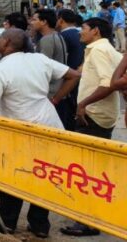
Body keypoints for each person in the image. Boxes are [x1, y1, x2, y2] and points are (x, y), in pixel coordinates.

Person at [0, 29, 81, 238]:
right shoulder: (40, 59)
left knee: (12, 175)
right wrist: (56, 99)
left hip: (18, 131)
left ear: (6, 43)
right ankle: (40, 225)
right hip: (48, 127)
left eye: (0, 40)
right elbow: (74, 75)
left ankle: (8, 222)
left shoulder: (0, 70)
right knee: (43, 174)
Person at [59, 17, 122, 237]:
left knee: (87, 170)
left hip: (93, 115)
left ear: (95, 31)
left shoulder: (98, 51)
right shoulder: (108, 50)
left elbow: (108, 83)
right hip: (103, 114)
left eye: (83, 29)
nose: (80, 33)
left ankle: (88, 221)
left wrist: (83, 104)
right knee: (95, 167)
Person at [55, 9, 84, 130]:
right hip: (81, 75)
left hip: (69, 77)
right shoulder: (81, 33)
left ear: (61, 20)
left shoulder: (62, 36)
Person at [31, 9, 67, 101]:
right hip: (59, 87)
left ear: (44, 22)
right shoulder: (57, 35)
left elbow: (43, 68)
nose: (31, 23)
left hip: (51, 91)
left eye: (34, 20)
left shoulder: (47, 40)